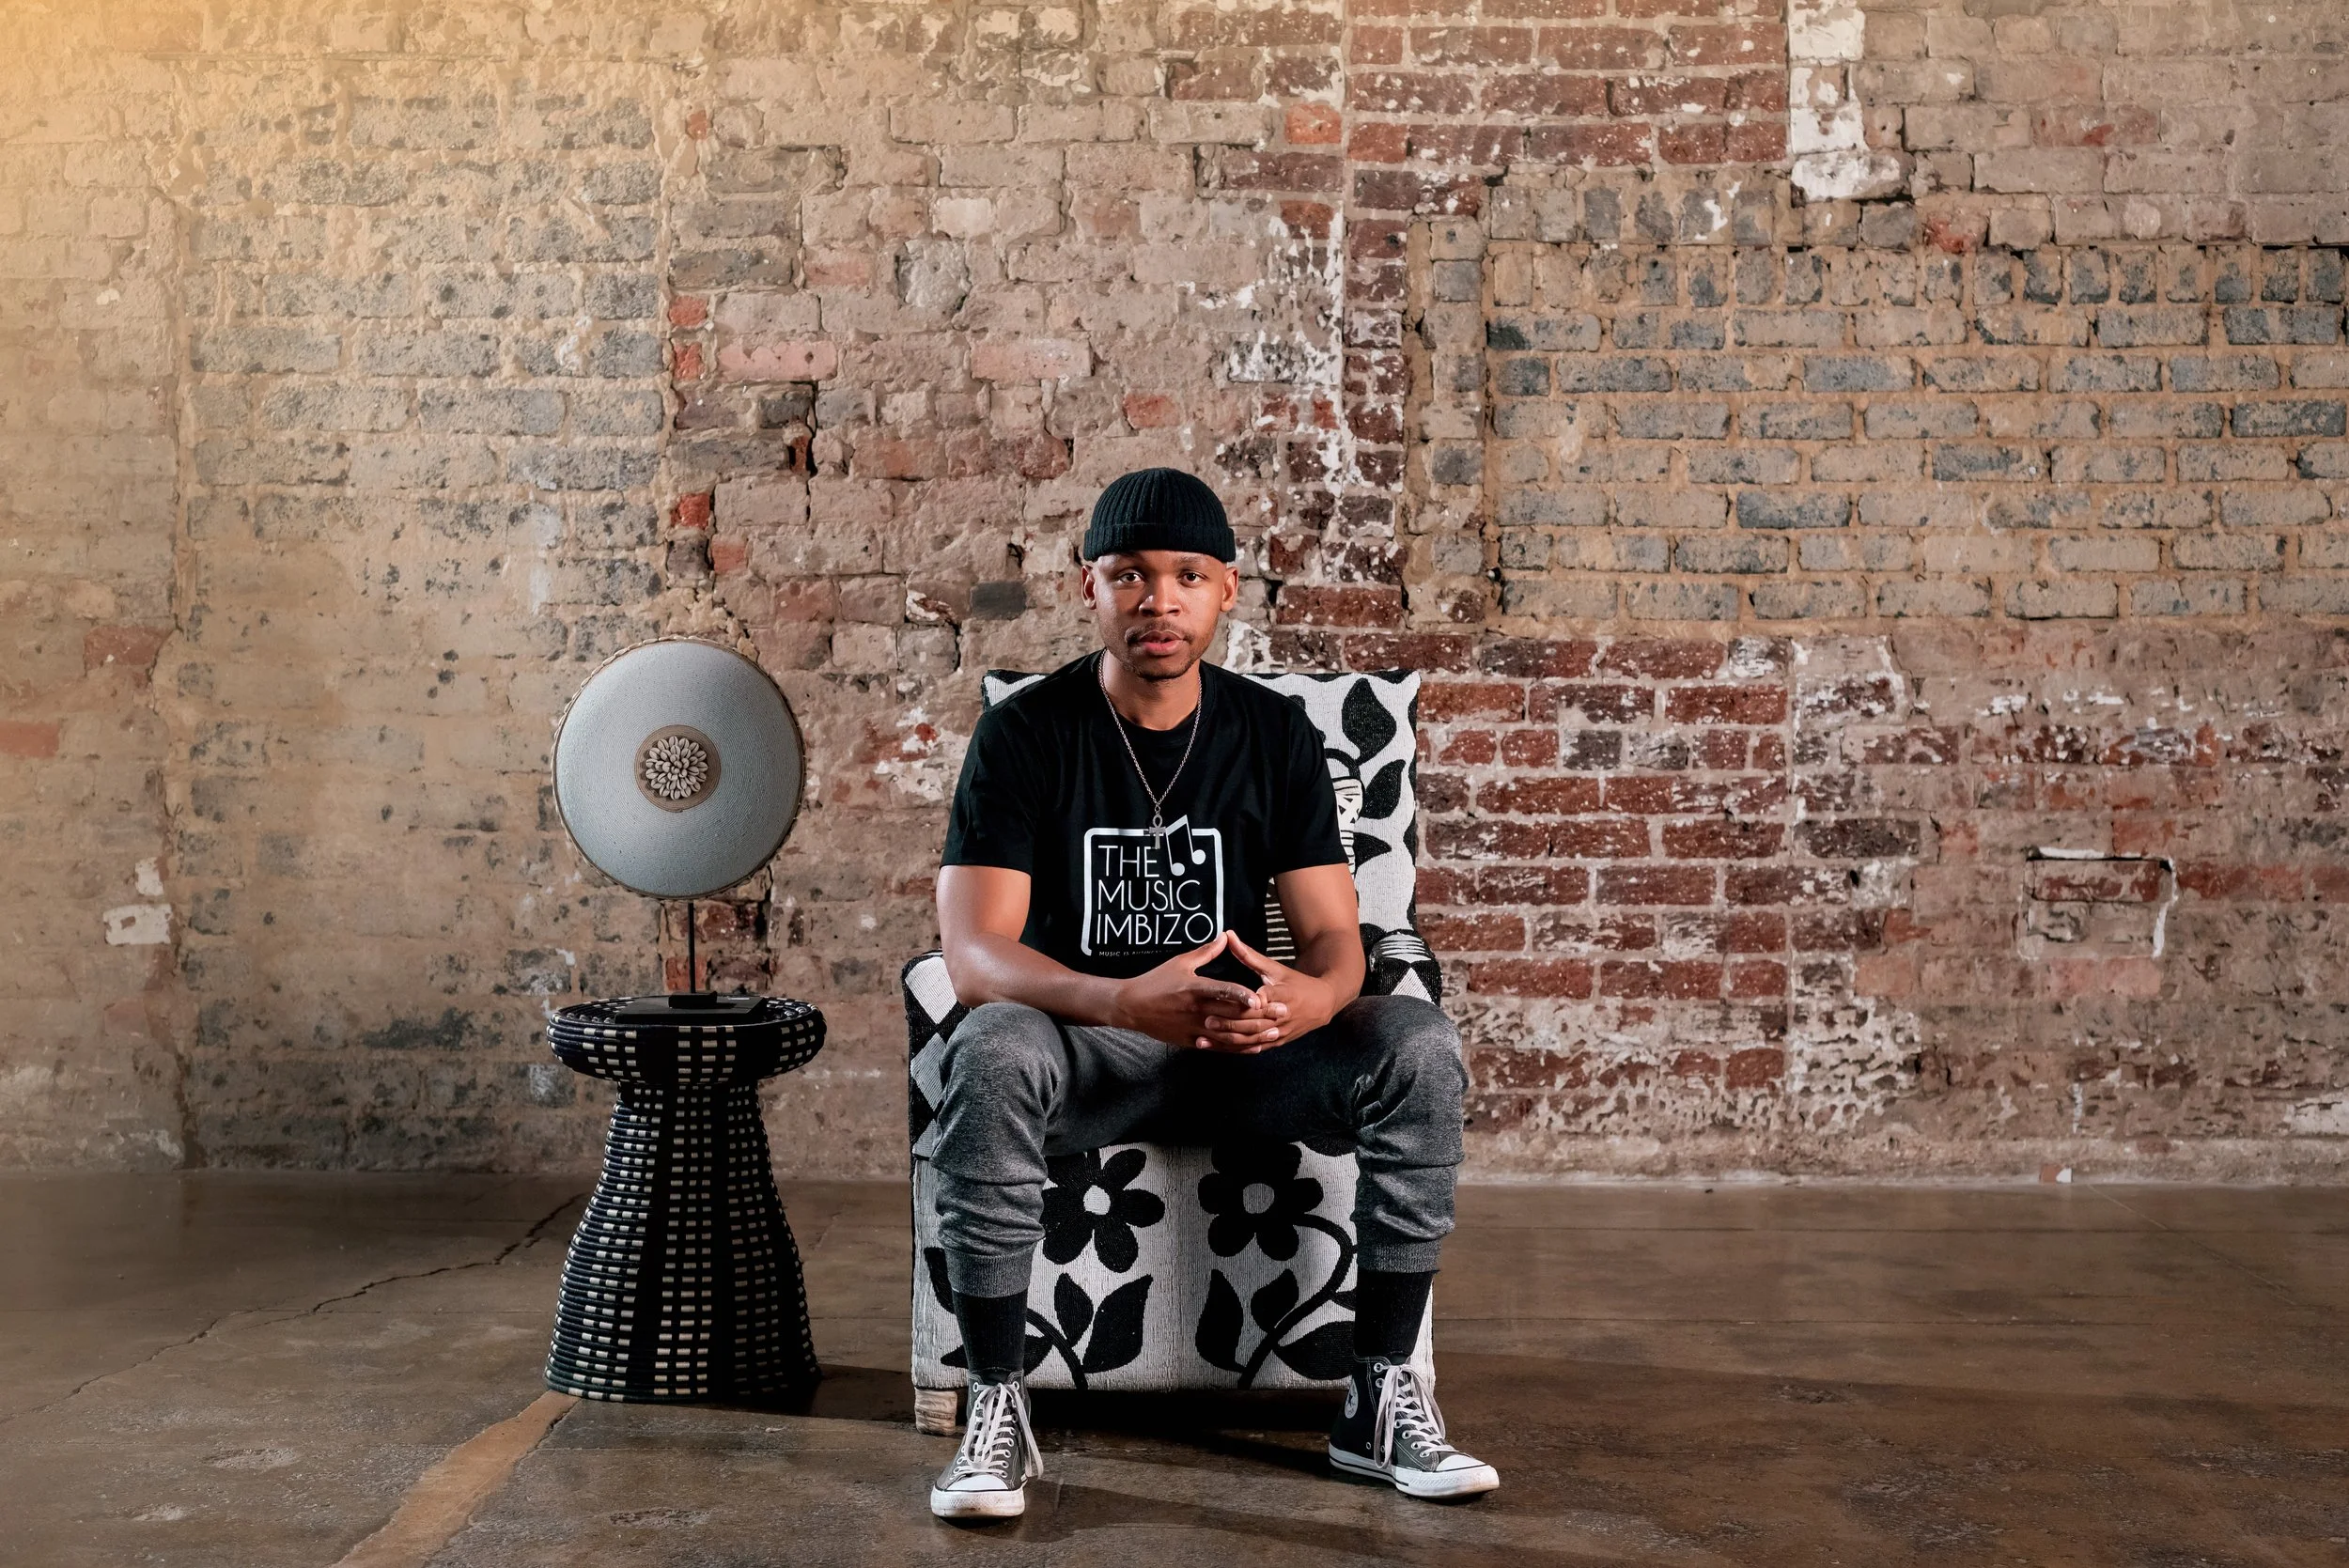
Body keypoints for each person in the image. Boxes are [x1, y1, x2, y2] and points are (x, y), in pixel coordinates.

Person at [925, 467, 1498, 1519]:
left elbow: (1334, 939)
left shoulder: (1272, 734)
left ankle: (1378, 1398)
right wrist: (1121, 1002)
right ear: (1088, 586)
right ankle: (996, 1403)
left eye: (1187, 575)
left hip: (1248, 1054)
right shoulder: (1026, 733)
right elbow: (973, 956)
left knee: (1415, 1042)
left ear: (1226, 589)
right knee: (994, 1044)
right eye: (1130, 575)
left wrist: (1309, 1001)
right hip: (1087, 1053)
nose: (1159, 600)